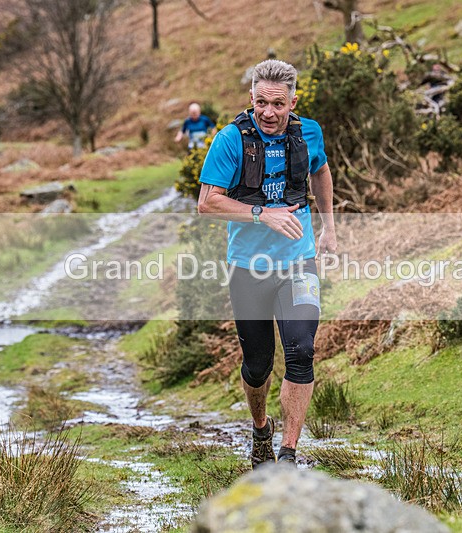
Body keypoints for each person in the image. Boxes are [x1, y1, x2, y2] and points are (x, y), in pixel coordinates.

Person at [197, 59, 337, 468]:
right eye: (261, 103)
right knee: (257, 366)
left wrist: (329, 228)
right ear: (251, 99)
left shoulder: (308, 132)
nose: (269, 113)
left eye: (278, 103)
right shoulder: (230, 140)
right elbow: (207, 203)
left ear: (294, 101)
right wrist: (263, 214)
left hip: (298, 262)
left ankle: (288, 453)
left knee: (302, 350)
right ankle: (261, 428)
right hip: (249, 267)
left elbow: (322, 170)